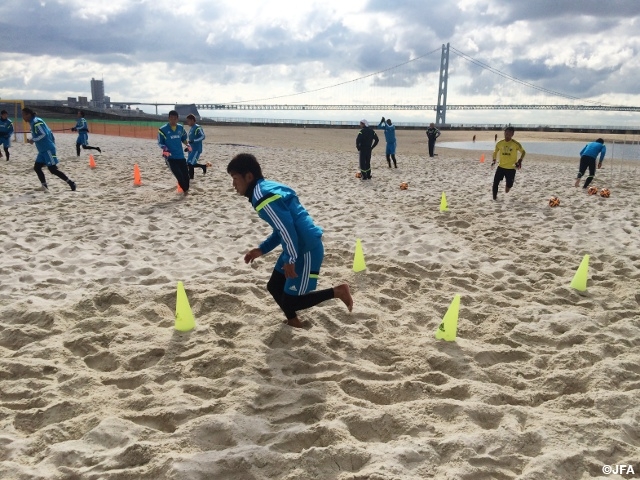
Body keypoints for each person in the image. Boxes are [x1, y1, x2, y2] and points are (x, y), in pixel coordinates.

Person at [227, 153, 353, 328]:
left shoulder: (262, 197)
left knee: (292, 301)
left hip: (306, 248)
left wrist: (290, 259)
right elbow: (282, 229)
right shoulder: (266, 188)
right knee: (274, 286)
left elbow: (287, 230)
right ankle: (294, 322)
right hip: (296, 245)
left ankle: (338, 291)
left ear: (249, 176)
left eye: (235, 178)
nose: (233, 185)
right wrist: (262, 249)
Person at [21, 107, 76, 192]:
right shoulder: (33, 122)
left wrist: (33, 140)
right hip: (42, 151)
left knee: (53, 170)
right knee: (37, 167)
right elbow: (47, 132)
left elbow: (43, 134)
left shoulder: (36, 122)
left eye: (24, 115)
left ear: (28, 115)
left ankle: (71, 183)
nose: (23, 117)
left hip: (48, 149)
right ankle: (44, 186)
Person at [158, 110, 190, 195]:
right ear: (169, 118)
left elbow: (183, 139)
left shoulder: (181, 128)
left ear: (177, 119)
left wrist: (188, 145)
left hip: (181, 156)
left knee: (186, 176)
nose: (173, 120)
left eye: (175, 118)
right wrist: (165, 148)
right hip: (170, 158)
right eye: (171, 118)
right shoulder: (163, 129)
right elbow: (160, 142)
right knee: (179, 176)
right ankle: (185, 192)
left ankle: (186, 190)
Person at [491, 126, 525, 201]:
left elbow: (523, 152)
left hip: (511, 168)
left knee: (509, 186)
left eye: (509, 133)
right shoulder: (500, 143)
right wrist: (494, 160)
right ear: (504, 133)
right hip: (501, 167)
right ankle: (494, 197)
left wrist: (520, 160)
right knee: (495, 182)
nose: (507, 135)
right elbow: (495, 151)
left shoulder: (516, 144)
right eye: (506, 133)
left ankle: (508, 186)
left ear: (512, 134)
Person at [184, 114, 207, 179]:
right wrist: (188, 147)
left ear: (192, 120)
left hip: (196, 149)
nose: (187, 122)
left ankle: (191, 178)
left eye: (188, 121)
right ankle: (203, 166)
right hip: (191, 149)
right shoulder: (191, 128)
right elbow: (190, 140)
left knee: (190, 163)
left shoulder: (198, 127)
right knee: (189, 163)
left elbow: (203, 136)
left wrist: (194, 141)